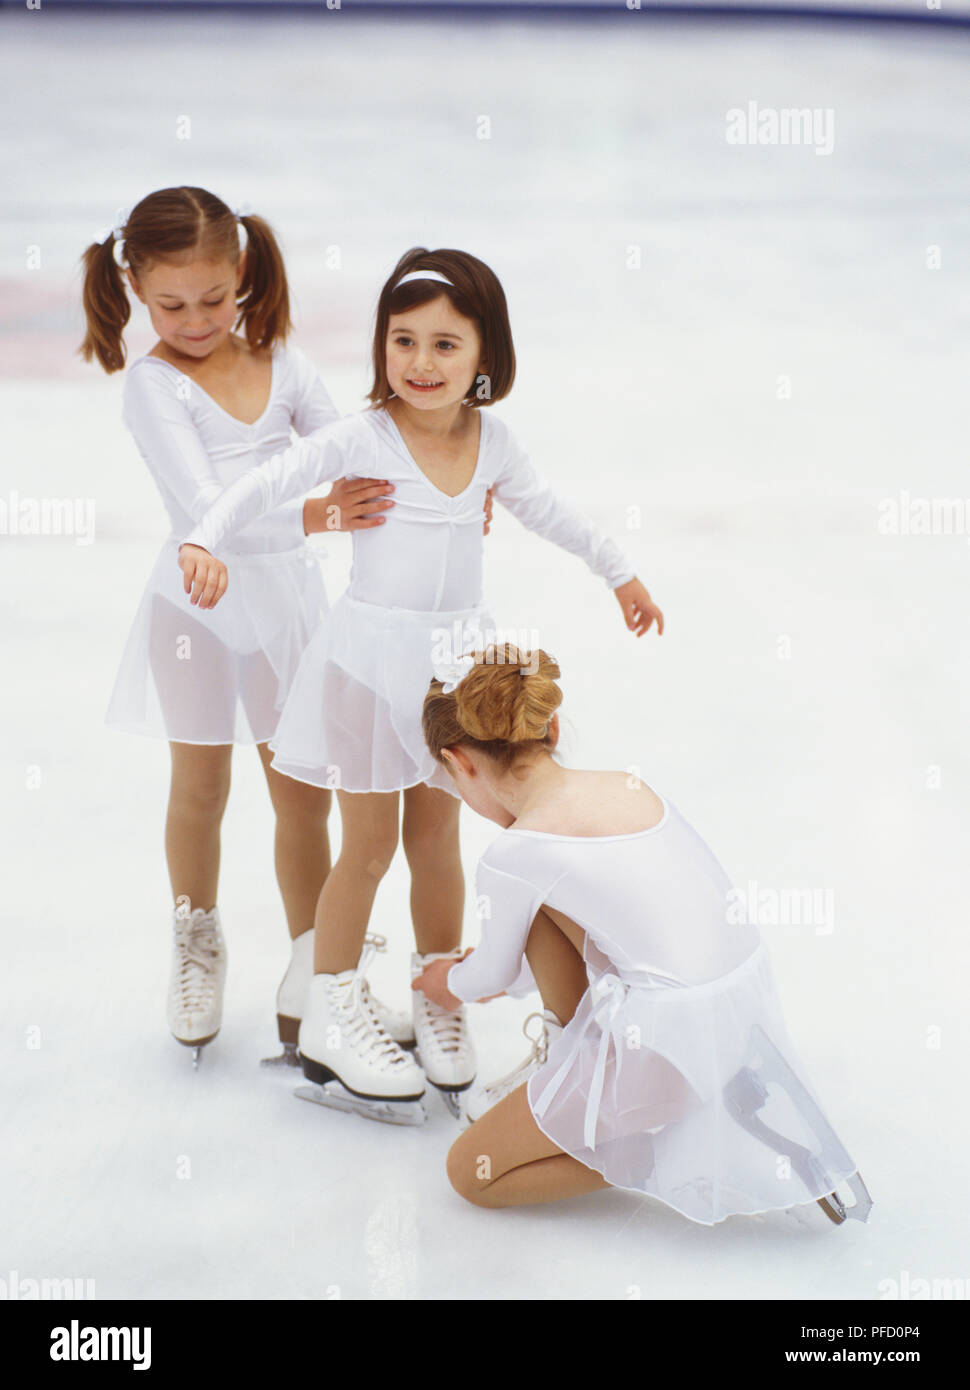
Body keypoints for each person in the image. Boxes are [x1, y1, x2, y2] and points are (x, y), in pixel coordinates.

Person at [175, 246, 665, 1120]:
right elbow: (269, 480)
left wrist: (618, 572)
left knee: (437, 843)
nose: (421, 363)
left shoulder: (495, 444)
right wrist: (203, 538)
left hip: (453, 675)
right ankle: (331, 1004)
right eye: (404, 342)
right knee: (365, 846)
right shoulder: (364, 437)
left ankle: (436, 995)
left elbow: (553, 511)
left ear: (486, 356)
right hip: (368, 664)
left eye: (446, 344)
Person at [79, 185, 414, 1065]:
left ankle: (319, 969)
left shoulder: (286, 365)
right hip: (195, 608)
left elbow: (357, 452)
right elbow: (207, 506)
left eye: (213, 299)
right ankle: (196, 938)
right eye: (169, 304)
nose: (194, 320)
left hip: (290, 610)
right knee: (200, 786)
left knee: (301, 794)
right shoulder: (153, 388)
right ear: (136, 290)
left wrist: (434, 494)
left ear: (244, 277)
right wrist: (322, 516)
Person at [414, 645, 872, 1226]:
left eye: (449, 781)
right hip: (733, 1024)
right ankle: (620, 1081)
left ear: (460, 763)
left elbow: (490, 976)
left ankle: (693, 1142)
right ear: (550, 727)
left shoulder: (514, 853)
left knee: (473, 1172)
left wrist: (443, 982)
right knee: (545, 900)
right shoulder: (625, 786)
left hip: (662, 1048)